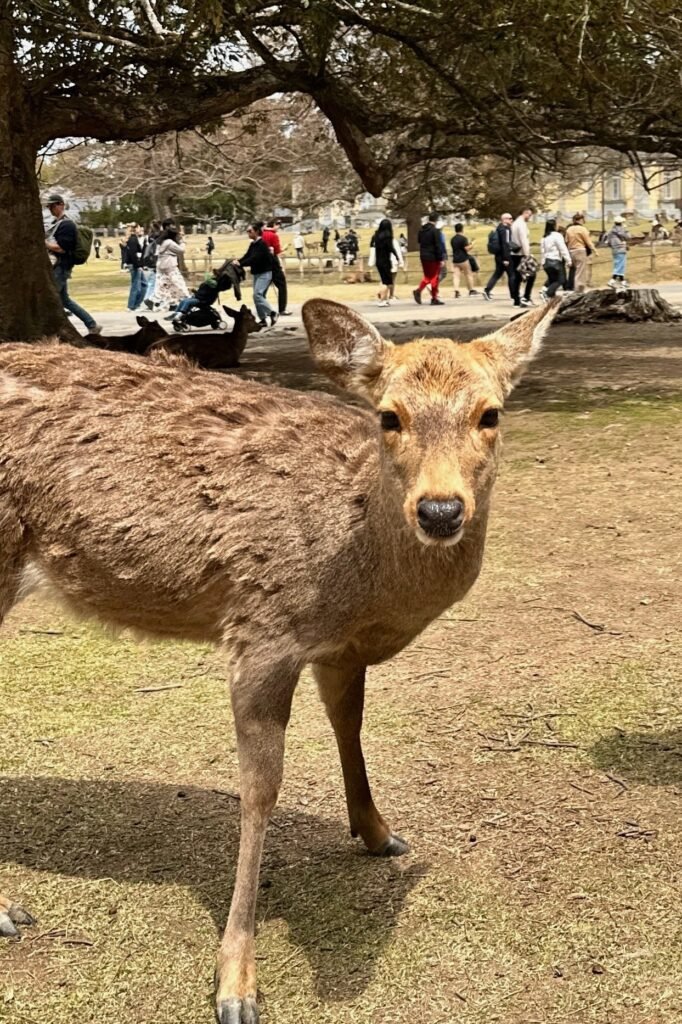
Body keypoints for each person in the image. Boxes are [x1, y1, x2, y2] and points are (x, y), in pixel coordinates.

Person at [44, 193, 102, 334]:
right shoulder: (56, 224)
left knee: (51, 299)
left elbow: (62, 248)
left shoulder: (67, 225)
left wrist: (44, 244)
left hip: (61, 266)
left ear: (61, 205)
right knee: (65, 300)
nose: (51, 208)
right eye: (49, 206)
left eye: (53, 205)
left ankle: (57, 330)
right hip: (57, 266)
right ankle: (92, 325)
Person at [232, 221, 277, 328]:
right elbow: (247, 256)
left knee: (257, 295)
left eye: (250, 231)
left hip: (265, 273)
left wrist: (241, 263)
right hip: (257, 273)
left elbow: (254, 259)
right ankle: (263, 320)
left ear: (256, 231)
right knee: (259, 297)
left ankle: (272, 313)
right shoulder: (253, 244)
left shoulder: (262, 244)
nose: (248, 233)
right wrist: (238, 261)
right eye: (247, 231)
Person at [369, 218, 404, 306]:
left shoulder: (376, 236)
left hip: (379, 261)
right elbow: (390, 248)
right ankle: (382, 300)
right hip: (386, 261)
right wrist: (397, 257)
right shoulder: (388, 236)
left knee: (383, 280)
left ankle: (383, 298)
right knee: (387, 282)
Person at [153, 225, 190, 308]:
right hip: (170, 266)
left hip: (161, 266)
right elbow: (181, 250)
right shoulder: (169, 242)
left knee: (166, 285)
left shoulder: (161, 242)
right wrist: (182, 242)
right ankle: (187, 298)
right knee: (179, 283)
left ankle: (170, 302)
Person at [413, 211, 445, 305]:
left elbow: (419, 241)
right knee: (434, 277)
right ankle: (432, 297)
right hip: (433, 256)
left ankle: (420, 291)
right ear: (436, 220)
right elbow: (438, 245)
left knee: (428, 276)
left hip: (424, 255)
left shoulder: (422, 230)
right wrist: (441, 258)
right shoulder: (435, 231)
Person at [262, 219, 291, 315]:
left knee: (263, 288)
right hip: (273, 264)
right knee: (282, 286)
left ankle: (263, 308)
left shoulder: (261, 234)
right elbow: (277, 251)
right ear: (274, 225)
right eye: (278, 225)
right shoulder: (273, 235)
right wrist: (284, 248)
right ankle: (282, 309)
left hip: (263, 264)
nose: (279, 227)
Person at [482, 212, 514, 301]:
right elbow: (505, 244)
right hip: (505, 256)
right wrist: (506, 258)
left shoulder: (498, 228)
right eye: (510, 218)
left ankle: (487, 290)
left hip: (498, 255)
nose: (512, 220)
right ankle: (513, 294)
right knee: (512, 275)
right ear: (504, 219)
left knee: (497, 274)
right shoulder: (506, 230)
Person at [539, 219, 572, 300]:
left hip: (546, 261)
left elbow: (542, 251)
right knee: (561, 280)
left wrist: (542, 262)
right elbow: (562, 248)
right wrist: (568, 260)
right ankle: (547, 293)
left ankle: (550, 297)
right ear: (554, 226)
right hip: (555, 261)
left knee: (552, 279)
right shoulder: (557, 235)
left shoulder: (544, 237)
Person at [510, 207, 536, 307]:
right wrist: (527, 254)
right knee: (531, 274)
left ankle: (517, 299)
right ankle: (526, 296)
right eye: (529, 215)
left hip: (515, 253)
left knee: (517, 277)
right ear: (524, 213)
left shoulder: (515, 223)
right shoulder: (521, 224)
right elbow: (523, 239)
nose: (529, 217)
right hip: (521, 253)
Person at [564, 213, 592, 293]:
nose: (584, 221)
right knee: (580, 271)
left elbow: (566, 241)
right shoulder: (583, 229)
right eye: (583, 219)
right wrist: (594, 250)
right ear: (580, 220)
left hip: (571, 251)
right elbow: (588, 241)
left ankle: (571, 285)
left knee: (573, 269)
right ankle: (578, 289)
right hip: (580, 250)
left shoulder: (569, 229)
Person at [123, 223, 147, 311]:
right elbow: (133, 254)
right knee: (136, 285)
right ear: (135, 229)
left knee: (144, 284)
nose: (140, 230)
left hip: (134, 264)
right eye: (139, 228)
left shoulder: (133, 239)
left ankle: (136, 304)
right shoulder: (133, 239)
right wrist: (138, 265)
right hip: (134, 265)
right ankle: (132, 305)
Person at [450, 223, 478, 298]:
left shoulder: (453, 239)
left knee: (456, 276)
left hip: (455, 260)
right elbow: (467, 249)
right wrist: (472, 244)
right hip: (463, 259)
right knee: (468, 274)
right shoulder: (463, 238)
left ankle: (456, 291)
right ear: (462, 229)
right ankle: (471, 290)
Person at [606, 215, 630, 289]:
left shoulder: (611, 231)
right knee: (620, 265)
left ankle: (622, 281)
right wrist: (626, 231)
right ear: (621, 223)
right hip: (621, 248)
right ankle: (612, 280)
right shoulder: (622, 230)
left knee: (619, 264)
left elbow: (608, 241)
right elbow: (628, 237)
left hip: (614, 249)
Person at [142, 220, 162, 310]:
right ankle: (151, 299)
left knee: (151, 283)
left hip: (150, 262)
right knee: (155, 283)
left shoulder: (149, 237)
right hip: (156, 263)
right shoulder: (159, 238)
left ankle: (148, 298)